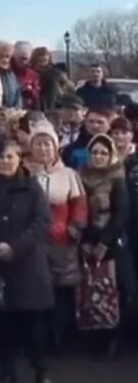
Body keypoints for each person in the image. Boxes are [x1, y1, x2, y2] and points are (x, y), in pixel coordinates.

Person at [0, 141, 53, 383]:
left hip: (29, 266)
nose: (5, 162)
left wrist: (15, 247)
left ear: (19, 160)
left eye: (10, 157)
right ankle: (7, 370)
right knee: (1, 325)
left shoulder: (32, 187)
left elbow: (41, 222)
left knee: (33, 326)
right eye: (0, 157)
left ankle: (40, 367)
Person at [25, 123, 86, 351]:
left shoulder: (69, 174)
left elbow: (80, 205)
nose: (43, 148)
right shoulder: (24, 173)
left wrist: (74, 228)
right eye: (38, 144)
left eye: (47, 143)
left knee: (62, 294)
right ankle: (35, 340)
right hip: (32, 244)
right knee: (34, 293)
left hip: (62, 242)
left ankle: (61, 339)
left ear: (56, 147)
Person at [78, 133, 134, 357]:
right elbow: (78, 211)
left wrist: (103, 242)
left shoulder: (118, 177)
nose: (98, 156)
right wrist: (84, 241)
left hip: (111, 242)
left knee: (118, 291)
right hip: (87, 242)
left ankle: (115, 340)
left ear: (111, 155)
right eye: (94, 152)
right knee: (91, 293)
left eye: (103, 152)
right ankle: (94, 340)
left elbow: (122, 214)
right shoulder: (80, 176)